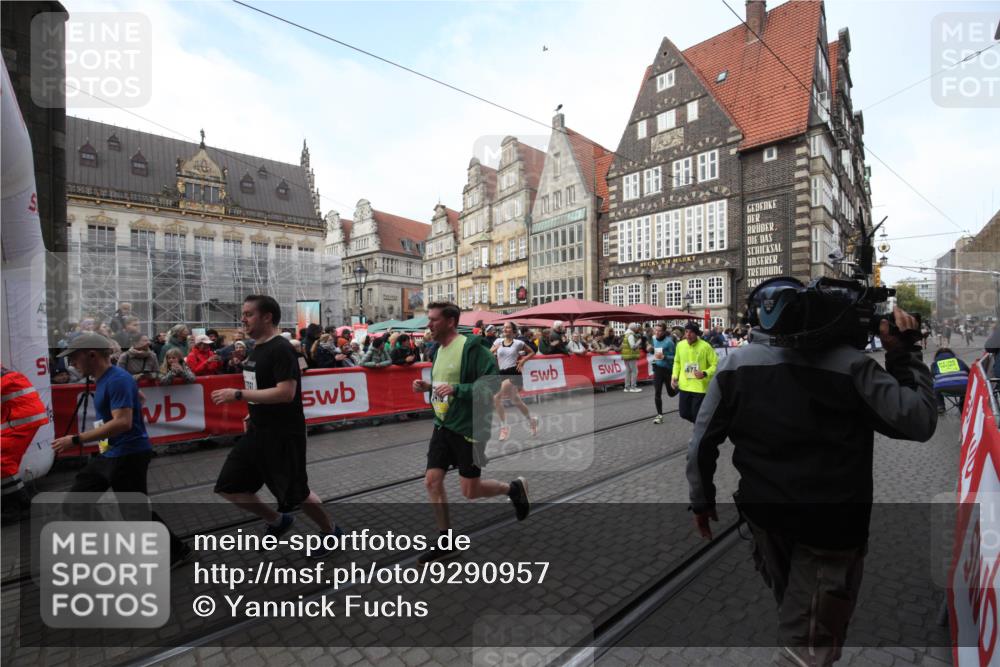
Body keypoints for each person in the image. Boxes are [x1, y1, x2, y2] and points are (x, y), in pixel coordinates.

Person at [687, 292, 936, 666]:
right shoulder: (854, 366)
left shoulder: (736, 364)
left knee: (796, 608)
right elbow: (918, 420)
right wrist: (904, 353)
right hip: (830, 529)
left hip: (765, 519)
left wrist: (701, 501)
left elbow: (701, 443)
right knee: (807, 646)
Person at [211, 295, 342, 558]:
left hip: (283, 435)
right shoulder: (256, 348)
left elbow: (286, 392)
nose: (243, 319)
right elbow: (261, 386)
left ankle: (331, 532)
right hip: (257, 431)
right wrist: (252, 411)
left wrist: (238, 395)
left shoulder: (281, 349)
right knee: (229, 485)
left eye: (248, 314)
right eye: (243, 314)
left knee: (297, 492)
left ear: (267, 317)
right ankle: (278, 520)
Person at [50, 333, 191, 567]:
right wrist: (132, 397)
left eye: (74, 357)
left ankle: (177, 552)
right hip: (111, 452)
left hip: (129, 454)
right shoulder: (109, 378)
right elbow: (140, 398)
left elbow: (123, 422)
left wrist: (75, 440)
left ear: (91, 355)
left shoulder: (116, 379)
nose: (71, 363)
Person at [412, 302, 530, 563]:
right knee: (432, 481)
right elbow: (447, 383)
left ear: (450, 322)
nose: (428, 325)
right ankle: (446, 541)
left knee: (470, 491)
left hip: (469, 427)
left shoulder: (472, 348)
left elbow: (491, 385)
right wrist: (428, 387)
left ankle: (513, 489)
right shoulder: (437, 350)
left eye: (433, 320)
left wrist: (458, 390)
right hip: (443, 424)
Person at [1, 366, 50, 523]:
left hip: (20, 419)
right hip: (21, 417)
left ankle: (18, 506)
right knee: (6, 462)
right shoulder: (7, 374)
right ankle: (16, 504)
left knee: (3, 461)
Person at [490, 322, 539, 442]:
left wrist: (523, 361)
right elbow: (488, 354)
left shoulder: (518, 343)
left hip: (513, 373)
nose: (505, 329)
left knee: (496, 397)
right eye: (504, 328)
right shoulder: (498, 341)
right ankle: (531, 420)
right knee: (516, 401)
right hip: (502, 373)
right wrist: (493, 350)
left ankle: (504, 427)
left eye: (508, 327)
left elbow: (532, 352)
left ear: (513, 330)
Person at [671, 322, 717, 423]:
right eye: (686, 332)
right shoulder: (680, 345)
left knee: (697, 415)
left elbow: (716, 364)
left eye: (691, 332)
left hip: (699, 387)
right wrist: (674, 376)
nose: (688, 335)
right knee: (684, 413)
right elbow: (677, 362)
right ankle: (703, 425)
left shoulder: (705, 346)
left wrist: (704, 373)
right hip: (684, 386)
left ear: (696, 333)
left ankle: (700, 429)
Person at [648, 322, 677, 424]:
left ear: (664, 331)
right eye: (656, 330)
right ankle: (659, 415)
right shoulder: (654, 339)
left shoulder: (669, 342)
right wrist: (650, 350)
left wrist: (665, 357)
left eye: (659, 331)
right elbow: (655, 352)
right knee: (657, 392)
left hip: (668, 370)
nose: (657, 332)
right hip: (658, 369)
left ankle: (681, 388)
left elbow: (676, 357)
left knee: (671, 393)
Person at [930, 346, 970, 413]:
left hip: (943, 387)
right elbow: (968, 372)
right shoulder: (959, 361)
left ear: (937, 356)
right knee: (965, 384)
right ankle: (962, 405)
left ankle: (940, 406)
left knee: (935, 386)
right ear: (952, 354)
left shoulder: (934, 364)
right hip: (963, 387)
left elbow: (933, 376)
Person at [621, 323, 644, 392]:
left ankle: (627, 387)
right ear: (633, 328)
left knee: (628, 371)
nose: (637, 328)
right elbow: (633, 346)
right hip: (631, 355)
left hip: (626, 355)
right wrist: (639, 342)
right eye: (636, 327)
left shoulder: (626, 334)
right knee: (634, 371)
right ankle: (633, 387)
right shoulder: (630, 335)